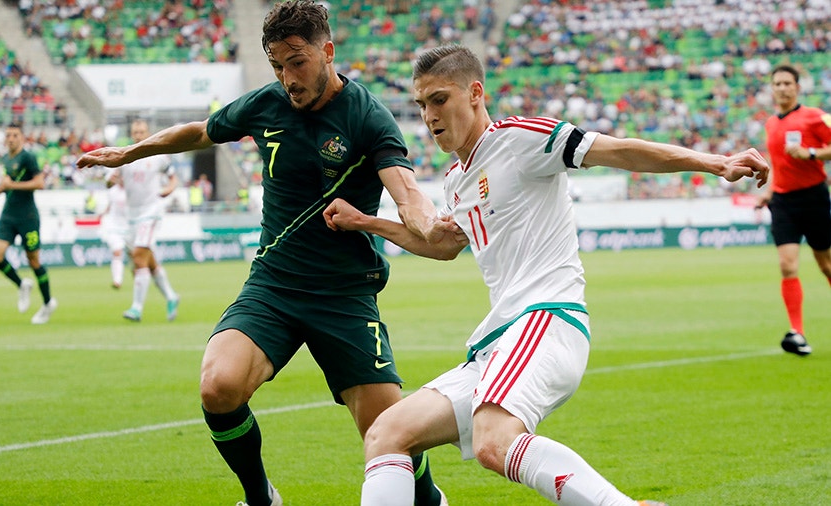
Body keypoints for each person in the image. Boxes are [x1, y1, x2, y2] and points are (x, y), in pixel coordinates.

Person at [322, 45, 769, 506]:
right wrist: (366, 222)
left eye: (439, 100)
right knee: (387, 434)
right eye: (421, 105)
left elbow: (618, 151)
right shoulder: (457, 178)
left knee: (494, 439)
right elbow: (442, 246)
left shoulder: (520, 139)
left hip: (546, 318)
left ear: (475, 93)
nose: (429, 116)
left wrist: (715, 162)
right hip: (499, 340)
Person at [77, 3, 457, 504]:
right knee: (219, 385)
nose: (288, 78)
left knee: (389, 430)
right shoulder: (267, 103)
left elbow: (406, 192)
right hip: (274, 285)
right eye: (277, 65)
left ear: (328, 51)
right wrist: (130, 153)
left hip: (342, 294)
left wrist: (428, 224)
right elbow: (200, 131)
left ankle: (428, 498)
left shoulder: (367, 116)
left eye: (297, 62)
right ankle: (262, 498)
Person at [755, 64, 831, 357]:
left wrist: (812, 153)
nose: (782, 88)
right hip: (783, 203)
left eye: (787, 83)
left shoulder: (815, 116)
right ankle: (797, 333)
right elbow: (778, 165)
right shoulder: (771, 124)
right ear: (772, 89)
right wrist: (769, 193)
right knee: (787, 265)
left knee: (825, 264)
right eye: (777, 84)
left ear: (798, 87)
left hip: (814, 198)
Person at [105, 119, 180, 322]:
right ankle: (172, 296)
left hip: (151, 211)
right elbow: (110, 180)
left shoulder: (158, 156)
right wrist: (109, 181)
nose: (138, 135)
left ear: (148, 133)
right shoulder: (125, 155)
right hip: (131, 216)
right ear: (131, 134)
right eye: (135, 132)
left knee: (139, 256)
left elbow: (173, 178)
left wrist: (169, 189)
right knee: (147, 261)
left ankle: (136, 308)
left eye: (142, 132)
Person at [0, 123, 58, 324]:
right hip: (8, 215)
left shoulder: (27, 157)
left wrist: (12, 185)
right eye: (8, 135)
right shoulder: (5, 159)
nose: (10, 138)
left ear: (22, 138)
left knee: (34, 261)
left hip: (28, 217)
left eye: (14, 135)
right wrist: (2, 188)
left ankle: (47, 303)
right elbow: (8, 183)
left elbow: (39, 183)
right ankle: (21, 284)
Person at [99, 172, 129, 289]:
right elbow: (110, 205)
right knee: (117, 252)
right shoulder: (112, 191)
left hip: (129, 227)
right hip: (115, 227)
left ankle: (139, 277)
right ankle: (117, 280)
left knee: (135, 256)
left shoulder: (131, 191)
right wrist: (103, 214)